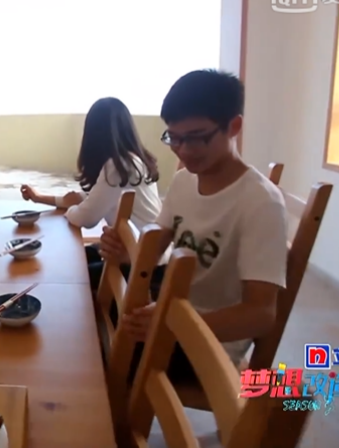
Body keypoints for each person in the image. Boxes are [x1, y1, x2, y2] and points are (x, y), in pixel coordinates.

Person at [98, 69, 287, 383]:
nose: (184, 150)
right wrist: (125, 253)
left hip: (208, 344)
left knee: (98, 358)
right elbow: (153, 249)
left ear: (234, 127)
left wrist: (173, 324)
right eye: (174, 138)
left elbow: (260, 315)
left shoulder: (261, 203)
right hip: (171, 314)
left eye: (197, 138)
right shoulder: (184, 181)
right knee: (89, 319)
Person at [19, 97, 162, 289]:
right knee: (77, 257)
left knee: (68, 273)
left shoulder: (118, 167)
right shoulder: (133, 161)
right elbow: (89, 199)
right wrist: (39, 198)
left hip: (146, 267)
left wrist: (72, 210)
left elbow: (85, 218)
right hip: (143, 255)